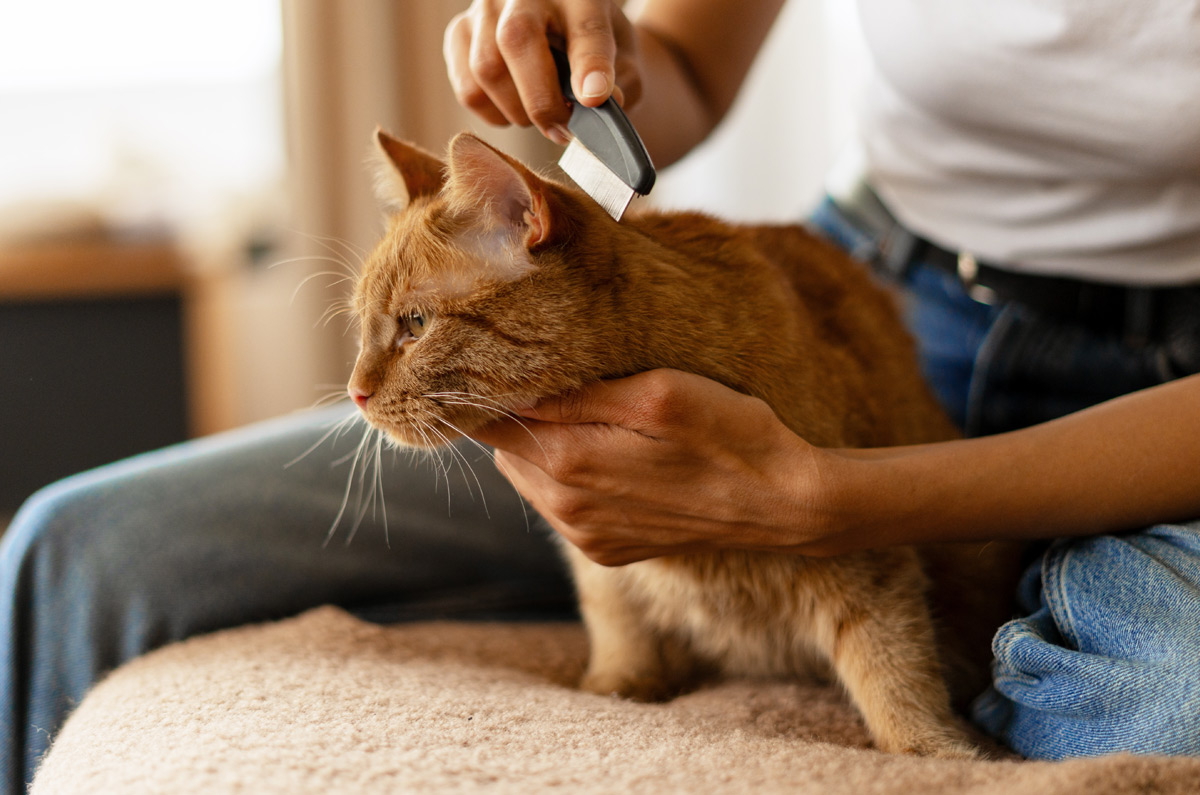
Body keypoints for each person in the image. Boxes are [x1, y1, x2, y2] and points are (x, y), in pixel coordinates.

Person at [1, 2, 1197, 791]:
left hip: (1168, 400)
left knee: (1169, 703)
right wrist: (583, 64)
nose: (363, 382)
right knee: (83, 547)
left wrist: (838, 497)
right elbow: (673, 75)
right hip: (881, 282)